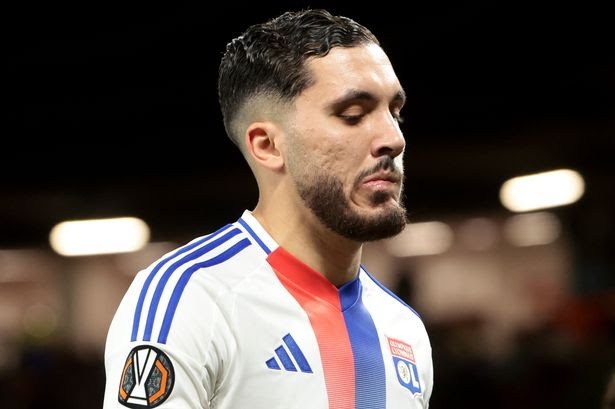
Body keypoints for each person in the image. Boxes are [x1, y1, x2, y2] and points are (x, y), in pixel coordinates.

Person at [103, 8, 433, 409]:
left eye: (395, 113)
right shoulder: (190, 298)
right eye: (353, 115)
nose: (394, 139)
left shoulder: (403, 329)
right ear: (267, 145)